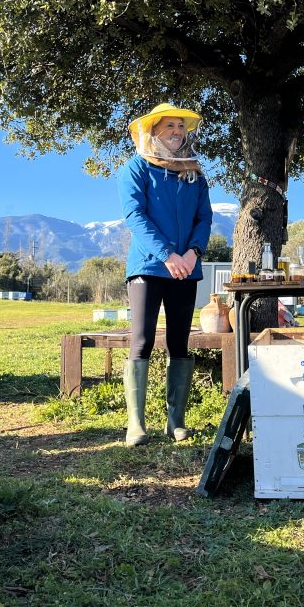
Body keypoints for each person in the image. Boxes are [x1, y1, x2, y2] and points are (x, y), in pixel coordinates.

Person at [118, 103, 212, 446]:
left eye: (181, 126)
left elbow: (204, 217)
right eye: (169, 125)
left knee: (179, 341)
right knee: (142, 340)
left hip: (186, 268)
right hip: (148, 266)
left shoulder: (194, 172)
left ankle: (176, 422)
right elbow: (135, 215)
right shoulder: (136, 167)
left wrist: (192, 253)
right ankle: (136, 425)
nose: (177, 131)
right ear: (154, 131)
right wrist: (167, 254)